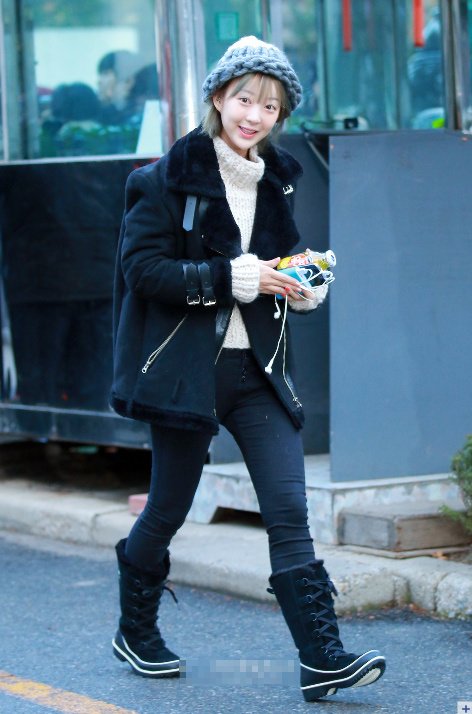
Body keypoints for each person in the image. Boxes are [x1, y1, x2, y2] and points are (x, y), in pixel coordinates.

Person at [110, 36, 386, 702]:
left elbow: (275, 268)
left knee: (289, 510)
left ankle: (322, 658)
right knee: (167, 510)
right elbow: (142, 271)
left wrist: (302, 284)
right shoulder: (163, 180)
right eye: (244, 99)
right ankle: (135, 631)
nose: (254, 116)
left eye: (270, 106)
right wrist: (230, 277)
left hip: (258, 372)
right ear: (217, 98)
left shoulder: (277, 180)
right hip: (186, 374)